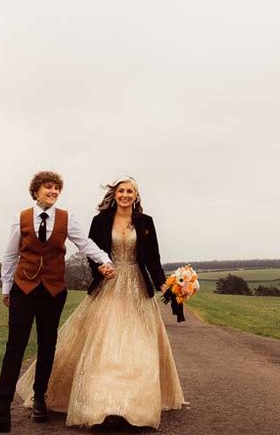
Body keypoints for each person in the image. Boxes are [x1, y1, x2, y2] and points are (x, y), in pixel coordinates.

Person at [15, 176, 185, 429]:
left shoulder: (146, 223)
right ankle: (103, 407)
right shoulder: (101, 220)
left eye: (130, 191)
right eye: (121, 191)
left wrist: (167, 287)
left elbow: (153, 259)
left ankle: (133, 409)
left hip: (137, 289)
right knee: (105, 344)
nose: (125, 195)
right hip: (109, 285)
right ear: (114, 195)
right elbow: (92, 255)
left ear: (136, 196)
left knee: (136, 346)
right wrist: (101, 270)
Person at [0, 170, 114, 434]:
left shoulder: (66, 218)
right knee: (15, 344)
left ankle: (39, 397)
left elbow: (85, 244)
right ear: (36, 191)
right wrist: (6, 289)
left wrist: (105, 260)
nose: (53, 192)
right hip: (23, 289)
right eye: (48, 187)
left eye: (56, 189)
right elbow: (9, 257)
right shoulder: (20, 219)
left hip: (52, 291)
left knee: (47, 344)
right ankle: (2, 405)